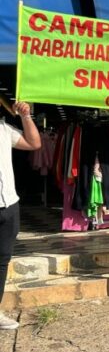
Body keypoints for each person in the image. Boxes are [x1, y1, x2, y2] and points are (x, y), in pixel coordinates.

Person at [1, 102, 41, 330]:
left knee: (2, 260)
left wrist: (26, 116)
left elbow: (34, 143)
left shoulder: (3, 129)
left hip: (8, 204)